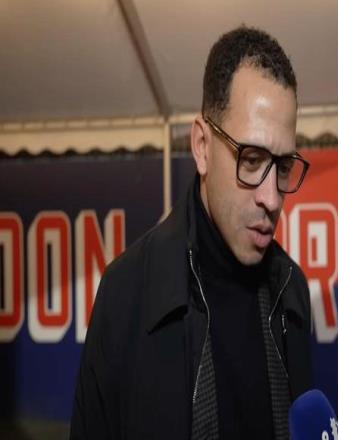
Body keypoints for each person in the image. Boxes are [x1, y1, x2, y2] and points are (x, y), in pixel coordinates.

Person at [70, 26, 312, 440]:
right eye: (252, 160)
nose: (272, 199)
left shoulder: (293, 291)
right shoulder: (126, 292)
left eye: (284, 166)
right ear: (201, 146)